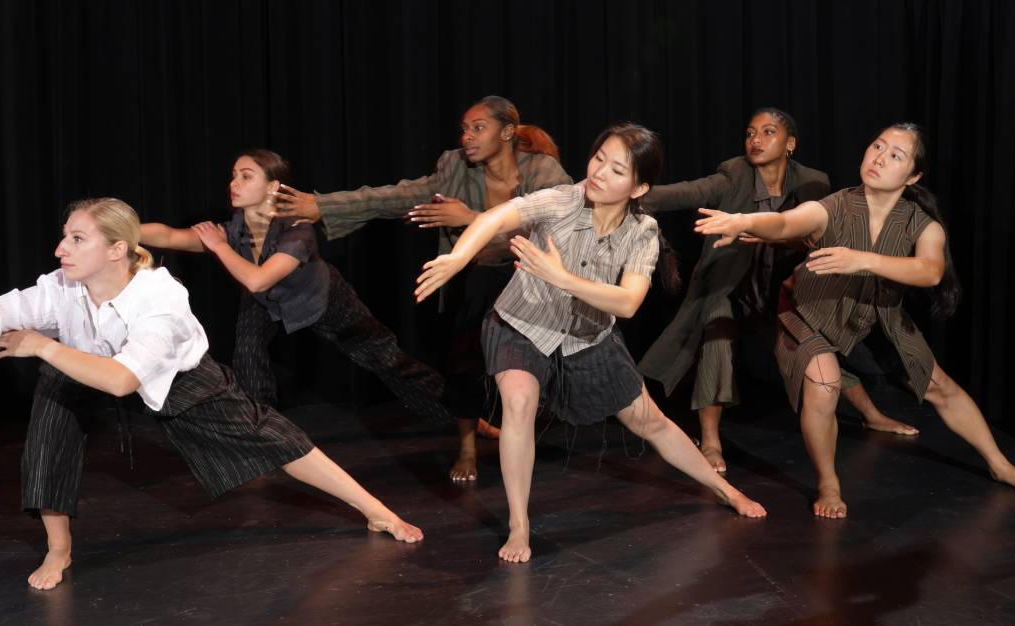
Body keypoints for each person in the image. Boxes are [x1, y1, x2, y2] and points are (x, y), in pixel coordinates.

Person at [0, 198, 423, 591]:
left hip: (178, 379)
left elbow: (122, 380)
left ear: (119, 249)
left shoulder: (160, 300)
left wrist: (42, 348)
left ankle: (374, 509)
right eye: (63, 237)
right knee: (50, 416)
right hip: (84, 367)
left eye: (76, 239)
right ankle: (59, 549)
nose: (61, 248)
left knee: (273, 437)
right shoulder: (56, 288)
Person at [416, 123, 767, 563]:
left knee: (649, 420)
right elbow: (495, 218)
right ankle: (519, 525)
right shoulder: (562, 199)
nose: (599, 172)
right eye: (599, 158)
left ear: (638, 186)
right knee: (519, 401)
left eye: (617, 169)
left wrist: (563, 278)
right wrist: (458, 256)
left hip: (588, 335)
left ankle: (726, 490)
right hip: (521, 323)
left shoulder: (642, 232)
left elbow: (628, 303)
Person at [695, 123, 1015, 518]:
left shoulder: (923, 224)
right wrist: (744, 221)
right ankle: (828, 482)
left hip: (876, 315)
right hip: (808, 312)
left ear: (913, 176)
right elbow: (786, 222)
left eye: (896, 155)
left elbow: (930, 271)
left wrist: (860, 259)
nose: (880, 157)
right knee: (825, 383)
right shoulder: (834, 206)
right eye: (877, 146)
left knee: (940, 387)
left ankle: (1000, 465)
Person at [274, 96, 573, 482]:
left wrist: (472, 219)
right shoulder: (455, 168)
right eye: (464, 129)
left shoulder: (541, 169)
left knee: (541, 366)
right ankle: (467, 447)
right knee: (466, 355)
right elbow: (396, 195)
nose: (467, 136)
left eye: (478, 128)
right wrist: (322, 205)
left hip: (533, 277)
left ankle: (531, 435)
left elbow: (560, 221)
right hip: (480, 279)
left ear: (508, 132)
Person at [637, 108, 916, 475]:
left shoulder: (814, 182)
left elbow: (821, 235)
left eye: (768, 132)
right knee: (717, 335)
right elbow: (687, 192)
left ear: (790, 144)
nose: (756, 140)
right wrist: (625, 192)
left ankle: (871, 414)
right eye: (751, 132)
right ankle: (710, 441)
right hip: (728, 289)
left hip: (781, 290)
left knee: (816, 346)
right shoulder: (733, 174)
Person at [140, 150, 455, 429]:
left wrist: (219, 248)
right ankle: (264, 438)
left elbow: (258, 280)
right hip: (265, 303)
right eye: (233, 176)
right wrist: (119, 230)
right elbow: (169, 236)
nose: (234, 183)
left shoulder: (297, 229)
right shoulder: (234, 228)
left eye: (246, 176)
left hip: (322, 300)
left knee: (387, 360)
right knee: (247, 355)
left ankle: (462, 416)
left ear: (273, 186)